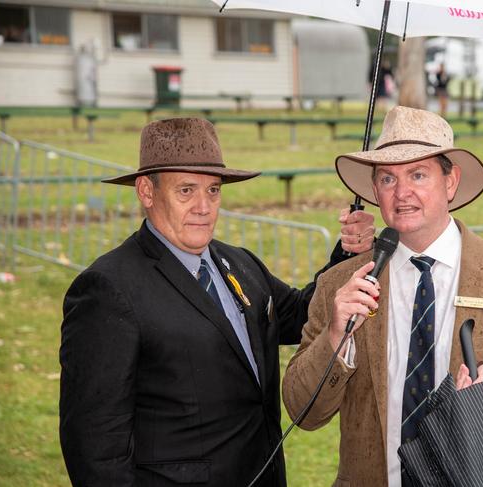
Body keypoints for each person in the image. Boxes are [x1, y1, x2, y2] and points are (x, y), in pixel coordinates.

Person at [59, 117, 375, 487]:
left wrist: (346, 255)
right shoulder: (108, 289)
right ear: (146, 191)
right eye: (186, 191)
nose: (204, 207)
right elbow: (94, 445)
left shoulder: (239, 263)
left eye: (213, 190)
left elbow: (300, 314)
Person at [282, 106, 483, 487]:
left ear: (451, 182)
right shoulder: (341, 284)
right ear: (374, 190)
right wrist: (334, 341)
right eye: (388, 179)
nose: (402, 193)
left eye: (418, 175)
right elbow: (302, 412)